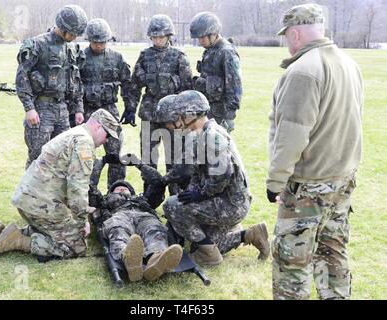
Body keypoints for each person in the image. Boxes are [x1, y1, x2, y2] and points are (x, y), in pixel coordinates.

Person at [267, 3, 364, 300]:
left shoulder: (303, 71)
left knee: (291, 262)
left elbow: (292, 134)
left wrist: (276, 182)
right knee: (332, 252)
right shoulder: (349, 64)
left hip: (309, 188)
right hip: (342, 181)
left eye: (287, 36)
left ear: (295, 34)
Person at [0, 109, 121, 260]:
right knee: (76, 247)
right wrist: (82, 222)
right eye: (108, 135)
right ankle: (17, 240)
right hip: (41, 205)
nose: (107, 141)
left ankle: (14, 232)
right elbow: (77, 189)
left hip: (28, 200)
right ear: (98, 127)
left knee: (63, 230)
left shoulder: (74, 133)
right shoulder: (84, 143)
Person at [156, 90, 269, 266]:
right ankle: (249, 234)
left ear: (191, 114)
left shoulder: (211, 136)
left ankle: (209, 257)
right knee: (204, 243)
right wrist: (194, 191)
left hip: (231, 204)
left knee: (172, 206)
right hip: (227, 201)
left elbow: (222, 175)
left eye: (180, 116)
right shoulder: (202, 134)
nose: (176, 121)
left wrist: (201, 194)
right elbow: (194, 172)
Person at [15, 5, 87, 168]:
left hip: (63, 110)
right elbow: (22, 77)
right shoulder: (37, 44)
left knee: (64, 157)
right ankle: (30, 194)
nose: (75, 37)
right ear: (63, 28)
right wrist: (29, 108)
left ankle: (55, 194)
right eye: (73, 33)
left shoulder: (71, 48)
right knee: (37, 159)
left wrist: (79, 109)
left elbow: (76, 80)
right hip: (41, 109)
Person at [130, 14, 193, 177]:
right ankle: (149, 196)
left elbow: (187, 89)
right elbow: (134, 85)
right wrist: (130, 109)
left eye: (161, 37)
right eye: (154, 37)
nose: (157, 40)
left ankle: (175, 198)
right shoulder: (145, 56)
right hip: (149, 114)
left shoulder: (179, 56)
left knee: (174, 160)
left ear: (168, 36)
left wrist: (185, 118)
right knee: (147, 159)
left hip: (173, 116)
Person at [91, 180, 183, 282]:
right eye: (118, 188)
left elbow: (156, 182)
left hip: (144, 216)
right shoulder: (105, 199)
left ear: (131, 192)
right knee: (118, 230)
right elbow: (91, 193)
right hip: (119, 215)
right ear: (111, 192)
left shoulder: (141, 199)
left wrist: (141, 165)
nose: (122, 188)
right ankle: (127, 256)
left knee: (155, 229)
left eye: (125, 188)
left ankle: (156, 258)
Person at [80, 18, 134, 187]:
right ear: (89, 40)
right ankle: (88, 193)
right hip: (88, 110)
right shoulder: (80, 57)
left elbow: (127, 84)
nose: (99, 46)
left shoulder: (117, 58)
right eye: (96, 42)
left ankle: (116, 192)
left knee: (115, 153)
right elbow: (73, 86)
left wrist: (130, 107)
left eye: (102, 42)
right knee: (84, 154)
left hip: (110, 110)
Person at [190, 12, 242, 133]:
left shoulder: (226, 52)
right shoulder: (210, 50)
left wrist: (229, 116)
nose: (200, 41)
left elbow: (235, 86)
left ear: (213, 34)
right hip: (207, 110)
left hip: (220, 115)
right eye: (199, 38)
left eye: (202, 37)